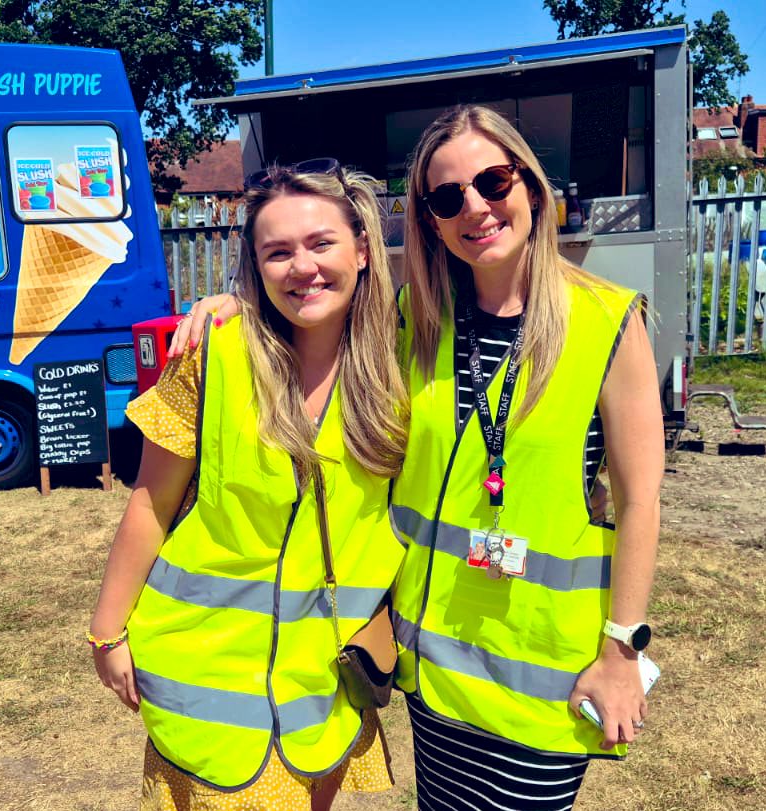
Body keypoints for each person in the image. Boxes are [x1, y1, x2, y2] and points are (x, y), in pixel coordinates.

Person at [172, 105, 663, 811]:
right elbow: (316, 312)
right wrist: (237, 305)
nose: (476, 207)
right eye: (446, 196)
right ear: (429, 217)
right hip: (430, 674)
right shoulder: (414, 318)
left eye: (493, 181)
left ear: (530, 185)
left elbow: (643, 502)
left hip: (540, 679)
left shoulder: (608, 322)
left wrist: (622, 652)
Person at [88, 161, 409, 809]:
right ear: (255, 266)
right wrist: (106, 629)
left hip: (326, 677)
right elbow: (151, 501)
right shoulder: (213, 356)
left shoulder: (407, 369)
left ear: (364, 247)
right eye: (277, 252)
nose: (302, 266)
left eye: (321, 243)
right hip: (209, 677)